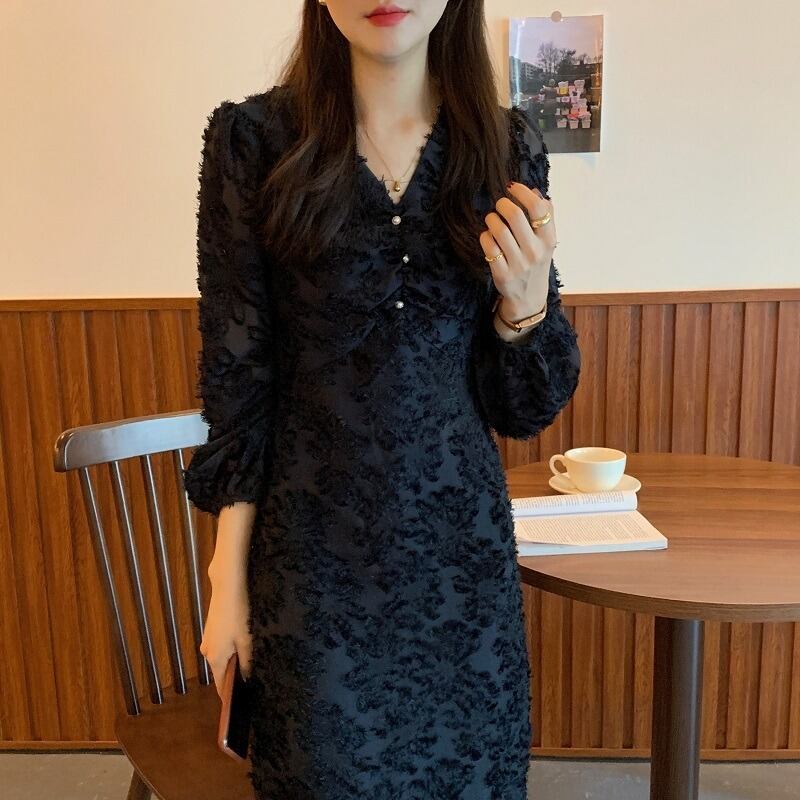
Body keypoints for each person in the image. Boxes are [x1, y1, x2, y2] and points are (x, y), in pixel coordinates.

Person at [183, 1, 581, 797]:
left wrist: (526, 304)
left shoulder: (506, 148)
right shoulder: (253, 142)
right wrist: (228, 580)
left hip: (461, 574)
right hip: (312, 569)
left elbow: (522, 409)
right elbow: (240, 380)